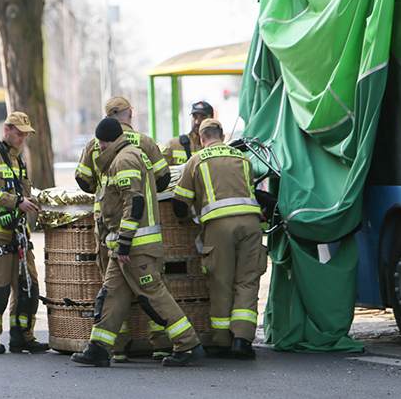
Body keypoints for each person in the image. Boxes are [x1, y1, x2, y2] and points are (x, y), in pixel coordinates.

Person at [71, 117, 205, 368]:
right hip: (123, 245)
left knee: (153, 295)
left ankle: (188, 345)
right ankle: (98, 348)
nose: (98, 149)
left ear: (105, 141)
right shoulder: (125, 155)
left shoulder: (124, 159)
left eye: (99, 144)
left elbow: (134, 203)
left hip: (135, 247)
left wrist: (124, 242)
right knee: (110, 296)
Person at [74, 95, 172, 361]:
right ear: (129, 114)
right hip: (140, 225)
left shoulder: (94, 144)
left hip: (105, 224)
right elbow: (164, 180)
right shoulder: (145, 143)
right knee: (151, 284)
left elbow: (82, 180)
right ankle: (161, 344)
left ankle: (117, 347)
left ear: (107, 117)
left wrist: (105, 188)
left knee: (111, 286)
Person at [171, 118, 267, 359]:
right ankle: (243, 341)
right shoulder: (243, 158)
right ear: (222, 136)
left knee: (221, 283)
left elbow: (180, 203)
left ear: (201, 138)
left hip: (219, 227)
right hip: (251, 224)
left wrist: (187, 219)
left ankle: (223, 341)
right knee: (247, 281)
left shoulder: (196, 160)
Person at [0, 112, 48, 355]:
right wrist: (15, 202)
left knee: (29, 288)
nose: (22, 138)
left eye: (25, 134)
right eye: (18, 133)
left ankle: (22, 337)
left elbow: (24, 193)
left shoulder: (18, 161)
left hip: (19, 233)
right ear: (6, 131)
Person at [162, 100, 214, 166]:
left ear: (212, 120)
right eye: (195, 117)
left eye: (203, 118)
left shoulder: (217, 147)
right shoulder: (174, 145)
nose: (197, 122)